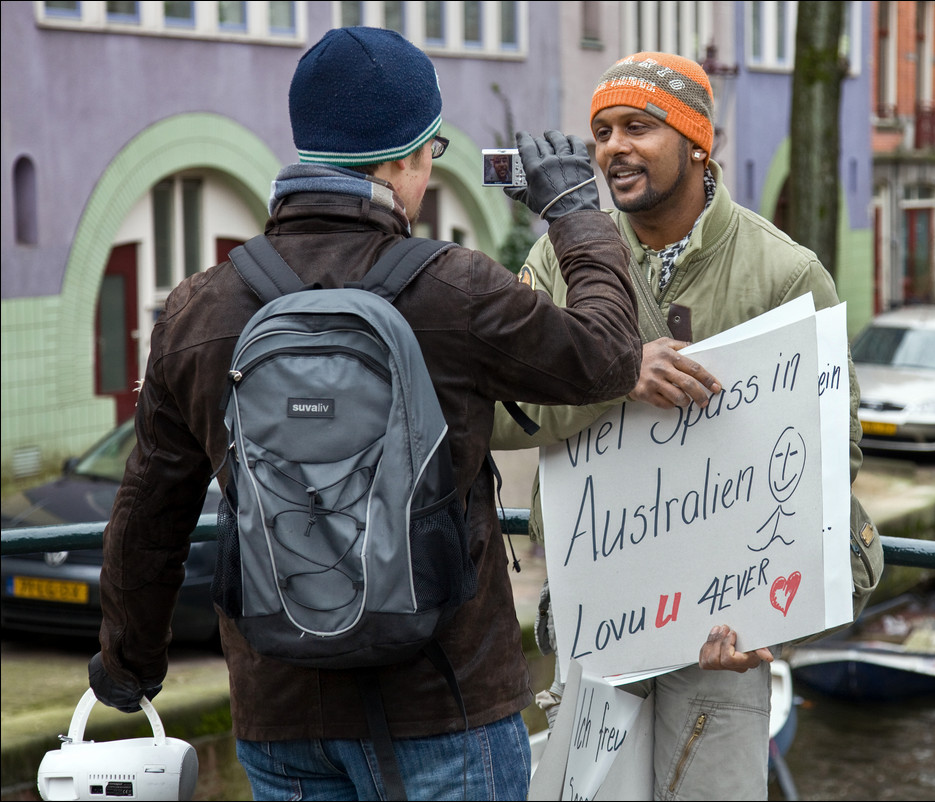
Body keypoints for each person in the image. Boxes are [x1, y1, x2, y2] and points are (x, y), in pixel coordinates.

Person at [89, 27, 644, 801]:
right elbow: (608, 356)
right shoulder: (455, 289)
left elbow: (149, 515)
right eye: (432, 153)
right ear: (403, 161)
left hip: (282, 712)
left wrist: (127, 666)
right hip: (444, 707)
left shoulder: (200, 308)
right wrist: (576, 212)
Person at [490, 52, 883, 800]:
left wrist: (772, 606)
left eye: (638, 126)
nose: (612, 149)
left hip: (720, 634)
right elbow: (498, 414)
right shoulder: (559, 258)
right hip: (600, 610)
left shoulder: (785, 272)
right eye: (602, 131)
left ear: (699, 142)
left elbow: (838, 448)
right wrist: (615, 376)